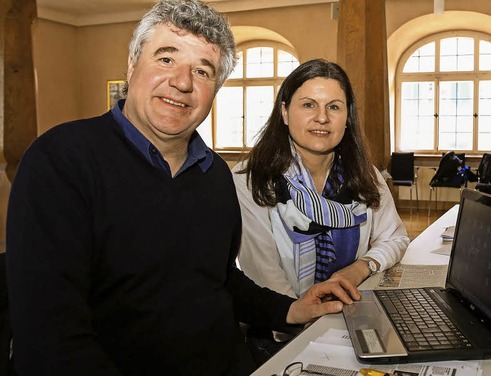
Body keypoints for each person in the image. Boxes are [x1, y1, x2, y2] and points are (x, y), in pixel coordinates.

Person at [5, 2, 360, 375]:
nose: (183, 82)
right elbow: (52, 340)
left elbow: (220, 281)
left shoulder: (215, 175)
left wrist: (291, 309)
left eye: (203, 71)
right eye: (166, 59)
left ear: (215, 90)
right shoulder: (61, 162)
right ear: (131, 64)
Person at [232, 59, 409, 361]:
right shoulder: (250, 180)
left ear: (347, 118)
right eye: (309, 105)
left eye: (334, 107)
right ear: (285, 112)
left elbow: (395, 239)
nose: (322, 118)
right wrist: (317, 329)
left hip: (351, 320)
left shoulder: (366, 174)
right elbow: (267, 278)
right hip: (282, 337)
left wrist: (359, 268)